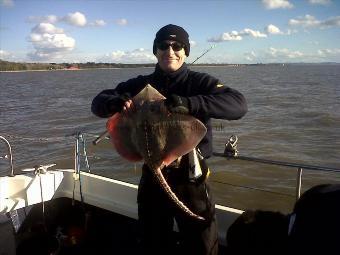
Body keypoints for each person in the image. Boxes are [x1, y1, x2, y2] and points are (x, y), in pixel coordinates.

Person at [91, 24, 247, 255]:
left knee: (201, 243)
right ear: (155, 51)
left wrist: (190, 103)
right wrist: (115, 102)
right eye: (163, 46)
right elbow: (98, 102)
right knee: (152, 240)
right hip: (152, 173)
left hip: (190, 177)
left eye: (177, 46)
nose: (170, 51)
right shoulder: (139, 84)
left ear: (186, 51)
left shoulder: (199, 82)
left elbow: (238, 104)